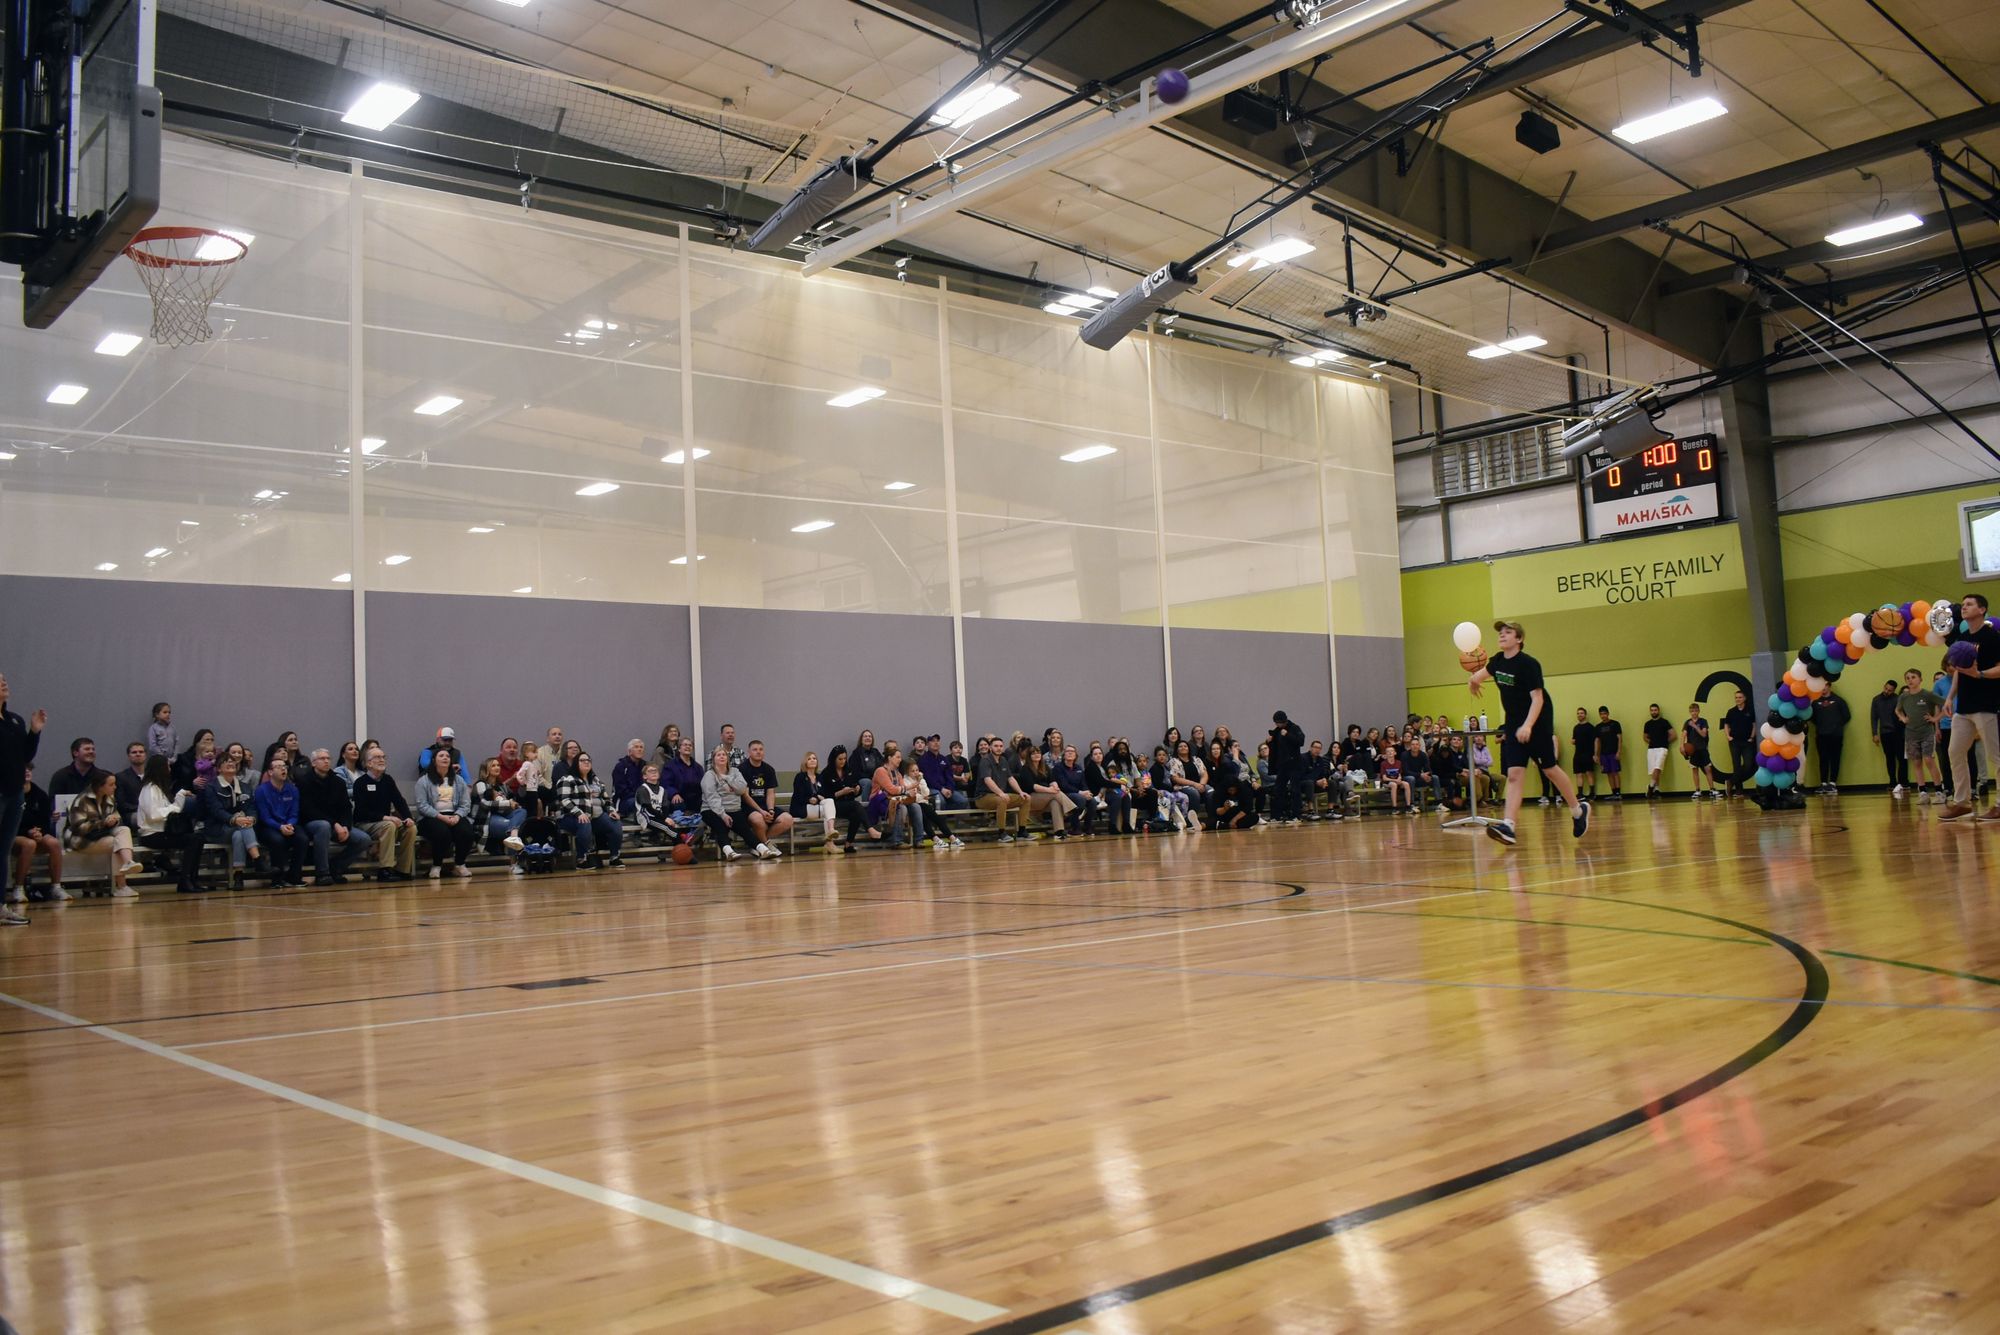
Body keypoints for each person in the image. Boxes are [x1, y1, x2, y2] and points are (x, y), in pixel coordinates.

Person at [1468, 620, 1590, 846]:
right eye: (1501, 632)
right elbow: (1479, 675)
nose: (1502, 635)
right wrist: (1473, 680)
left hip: (1538, 722)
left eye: (1508, 632)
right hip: (1514, 723)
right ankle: (1509, 826)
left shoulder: (1529, 664)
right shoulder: (1497, 661)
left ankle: (1578, 810)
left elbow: (1538, 698)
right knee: (1515, 774)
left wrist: (1528, 726)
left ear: (1519, 639)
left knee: (1550, 769)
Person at [1941, 592, 2000, 822]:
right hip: (1963, 706)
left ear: (1982, 609)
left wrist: (1980, 674)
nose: (1964, 607)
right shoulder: (1963, 638)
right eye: (1963, 604)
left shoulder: (1992, 637)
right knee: (1955, 752)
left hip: (1987, 705)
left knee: (1996, 756)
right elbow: (1958, 670)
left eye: (1969, 604)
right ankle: (1962, 803)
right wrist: (1949, 697)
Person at [298, 747, 373, 885]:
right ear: (313, 763)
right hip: (312, 823)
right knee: (324, 826)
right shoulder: (304, 781)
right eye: (322, 759)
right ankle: (322, 873)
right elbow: (309, 810)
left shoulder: (338, 782)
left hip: (337, 825)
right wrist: (335, 824)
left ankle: (336, 867)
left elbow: (346, 807)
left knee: (364, 839)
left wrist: (345, 825)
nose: (326, 761)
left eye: (328, 758)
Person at [64, 769, 140, 895]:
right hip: (81, 840)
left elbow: (117, 817)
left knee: (124, 830)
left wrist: (114, 821)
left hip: (101, 835)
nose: (115, 787)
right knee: (116, 843)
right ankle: (121, 886)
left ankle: (128, 862)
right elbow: (78, 828)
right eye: (111, 784)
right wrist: (102, 823)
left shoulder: (110, 798)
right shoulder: (81, 800)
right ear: (100, 786)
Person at [136, 754, 202, 892]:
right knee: (193, 840)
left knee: (197, 838)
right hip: (151, 834)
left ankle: (192, 878)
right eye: (167, 766)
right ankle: (185, 880)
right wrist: (174, 807)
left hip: (162, 832)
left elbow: (172, 808)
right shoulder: (150, 789)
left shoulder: (159, 788)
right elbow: (154, 815)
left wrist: (180, 795)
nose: (170, 769)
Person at [352, 748, 417, 882]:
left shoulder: (388, 780)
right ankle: (385, 869)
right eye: (377, 757)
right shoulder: (360, 783)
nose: (381, 760)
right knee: (389, 825)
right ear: (368, 763)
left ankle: (403, 869)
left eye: (383, 757)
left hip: (385, 822)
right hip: (365, 823)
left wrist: (408, 817)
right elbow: (361, 811)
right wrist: (385, 817)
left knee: (411, 828)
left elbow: (399, 801)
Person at [414, 747, 480, 878]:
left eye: (447, 756)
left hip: (454, 815)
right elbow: (422, 805)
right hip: (431, 817)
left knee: (466, 832)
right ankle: (436, 865)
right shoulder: (423, 781)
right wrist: (440, 817)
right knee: (442, 833)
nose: (445, 758)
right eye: (441, 756)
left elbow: (466, 804)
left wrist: (457, 816)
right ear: (434, 760)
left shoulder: (459, 780)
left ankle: (460, 864)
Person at [554, 751, 624, 869]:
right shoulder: (567, 779)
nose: (586, 762)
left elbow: (606, 799)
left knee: (615, 824)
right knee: (584, 822)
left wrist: (611, 810)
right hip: (571, 817)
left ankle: (614, 857)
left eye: (588, 760)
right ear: (576, 763)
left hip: (596, 816)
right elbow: (564, 800)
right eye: (582, 760)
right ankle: (581, 860)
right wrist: (578, 813)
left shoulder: (596, 781)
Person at [201, 753, 263, 884]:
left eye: (232, 761)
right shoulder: (211, 787)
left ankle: (238, 875)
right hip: (217, 828)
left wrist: (251, 818)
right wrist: (234, 819)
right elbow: (216, 811)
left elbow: (251, 808)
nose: (230, 763)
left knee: (239, 834)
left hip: (238, 828)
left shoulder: (245, 786)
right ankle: (258, 860)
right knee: (242, 827)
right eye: (226, 761)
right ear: (218, 768)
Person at [10, 763, 65, 907]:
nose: (27, 772)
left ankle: (56, 886)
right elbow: (8, 821)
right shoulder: (10, 794)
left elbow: (45, 819)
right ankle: (18, 888)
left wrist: (40, 832)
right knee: (29, 844)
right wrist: (27, 832)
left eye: (29, 769)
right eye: (23, 769)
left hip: (35, 832)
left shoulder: (39, 794)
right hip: (15, 834)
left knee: (53, 842)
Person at [253, 757, 309, 888]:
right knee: (277, 840)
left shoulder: (293, 789)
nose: (283, 769)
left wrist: (289, 824)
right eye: (279, 767)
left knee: (302, 839)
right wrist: (280, 827)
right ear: (270, 772)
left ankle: (294, 876)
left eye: (285, 766)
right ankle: (277, 878)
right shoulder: (261, 790)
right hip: (268, 826)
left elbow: (294, 813)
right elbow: (265, 817)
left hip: (289, 824)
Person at [1896, 669, 1946, 805]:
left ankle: (1939, 792)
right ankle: (1923, 793)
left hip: (1926, 733)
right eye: (1907, 678)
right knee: (1917, 762)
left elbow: (1946, 704)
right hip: (1911, 734)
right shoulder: (1903, 697)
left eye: (1913, 677)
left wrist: (1935, 718)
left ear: (1920, 679)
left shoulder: (1927, 694)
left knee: (1929, 760)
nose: (1910, 680)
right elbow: (1897, 710)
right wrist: (1903, 718)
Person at [736, 740, 793, 856]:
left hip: (765, 806)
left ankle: (757, 844)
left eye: (761, 749)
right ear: (749, 752)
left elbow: (770, 793)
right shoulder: (742, 769)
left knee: (788, 820)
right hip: (748, 807)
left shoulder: (769, 769)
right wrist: (761, 811)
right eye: (755, 750)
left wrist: (770, 810)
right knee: (758, 819)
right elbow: (745, 795)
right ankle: (766, 844)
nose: (758, 752)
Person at [700, 745, 754, 860]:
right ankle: (729, 852)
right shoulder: (709, 775)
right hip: (712, 809)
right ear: (713, 759)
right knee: (720, 826)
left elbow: (742, 789)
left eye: (724, 755)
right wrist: (723, 814)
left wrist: (727, 778)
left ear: (727, 758)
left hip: (733, 808)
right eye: (718, 755)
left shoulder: (735, 771)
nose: (721, 757)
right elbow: (712, 797)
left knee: (744, 828)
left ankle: (762, 848)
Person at [974, 736, 1030, 843]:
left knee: (1026, 798)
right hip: (983, 797)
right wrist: (1000, 793)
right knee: (1002, 800)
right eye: (996, 746)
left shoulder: (1003, 760)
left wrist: (1020, 792)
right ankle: (1001, 833)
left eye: (1000, 746)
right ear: (990, 747)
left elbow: (1010, 778)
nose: (999, 748)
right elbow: (987, 780)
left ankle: (1022, 831)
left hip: (999, 795)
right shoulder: (985, 761)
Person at [472, 756, 527, 854]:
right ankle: (514, 860)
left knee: (522, 811)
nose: (497, 767)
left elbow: (515, 799)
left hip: (504, 814)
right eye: (493, 766)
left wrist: (522, 786)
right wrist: (508, 803)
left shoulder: (502, 786)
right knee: (513, 828)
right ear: (486, 769)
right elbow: (485, 804)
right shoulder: (481, 784)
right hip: (488, 818)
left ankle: (513, 836)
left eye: (498, 765)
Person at [789, 752, 838, 853]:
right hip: (801, 807)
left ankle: (831, 832)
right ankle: (830, 843)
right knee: (827, 812)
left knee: (829, 802)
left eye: (814, 758)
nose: (812, 760)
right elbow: (799, 795)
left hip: (816, 806)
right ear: (805, 762)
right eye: (809, 759)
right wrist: (811, 799)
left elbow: (824, 794)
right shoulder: (800, 777)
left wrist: (816, 798)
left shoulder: (820, 777)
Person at [1870, 679, 1908, 796]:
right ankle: (1892, 781)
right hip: (1885, 733)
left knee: (1901, 758)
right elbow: (1874, 717)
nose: (1887, 691)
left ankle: (1903, 782)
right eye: (1886, 688)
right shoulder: (1876, 700)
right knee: (1889, 758)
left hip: (1898, 732)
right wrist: (1874, 733)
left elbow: (1904, 715)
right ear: (1884, 686)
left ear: (1894, 691)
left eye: (1890, 690)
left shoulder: (1898, 699)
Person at [1082, 742, 1129, 834]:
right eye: (1095, 754)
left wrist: (1122, 785)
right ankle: (1112, 825)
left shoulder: (1103, 766)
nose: (1098, 755)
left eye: (1100, 753)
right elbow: (1102, 782)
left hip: (1107, 790)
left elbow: (1110, 779)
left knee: (1126, 796)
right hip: (1097, 793)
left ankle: (1126, 824)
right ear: (1091, 757)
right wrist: (1119, 786)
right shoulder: (1091, 767)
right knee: (1116, 798)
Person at [1267, 710, 1304, 825]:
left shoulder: (1294, 728)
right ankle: (1277, 816)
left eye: (1279, 722)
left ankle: (1296, 815)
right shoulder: (1276, 731)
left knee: (1295, 790)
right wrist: (1269, 742)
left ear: (1284, 721)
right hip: (1282, 765)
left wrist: (1287, 735)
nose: (1278, 724)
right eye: (1276, 722)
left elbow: (1301, 741)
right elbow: (1276, 748)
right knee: (1278, 789)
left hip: (1294, 764)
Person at [1812, 688, 1850, 794]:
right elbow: (1812, 717)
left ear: (1829, 686)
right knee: (1823, 759)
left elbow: (1847, 716)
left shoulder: (1839, 701)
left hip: (1836, 735)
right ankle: (1823, 783)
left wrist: (1836, 726)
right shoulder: (1815, 702)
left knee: (1835, 759)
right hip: (1821, 735)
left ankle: (1832, 783)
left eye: (1825, 686)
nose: (1823, 689)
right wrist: (1821, 726)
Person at [1719, 690, 1755, 799]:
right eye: (1736, 697)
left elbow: (1754, 725)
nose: (1738, 699)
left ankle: (1731, 781)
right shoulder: (1731, 711)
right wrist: (1728, 736)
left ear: (1744, 698)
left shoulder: (1750, 710)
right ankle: (1739, 791)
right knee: (1736, 765)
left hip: (1747, 742)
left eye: (1740, 697)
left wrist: (1751, 737)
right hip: (1734, 742)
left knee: (1748, 765)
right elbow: (1726, 725)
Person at [662, 737, 704, 817]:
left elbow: (703, 785)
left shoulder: (698, 768)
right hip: (679, 797)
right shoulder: (670, 766)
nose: (688, 747)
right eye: (685, 745)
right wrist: (674, 794)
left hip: (695, 799)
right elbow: (666, 783)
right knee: (677, 803)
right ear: (679, 749)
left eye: (690, 745)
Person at [1683, 704, 1715, 799]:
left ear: (1699, 711)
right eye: (1692, 711)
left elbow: (1704, 734)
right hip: (1693, 750)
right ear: (1690, 712)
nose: (1694, 713)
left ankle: (1712, 789)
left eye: (1695, 711)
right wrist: (1682, 746)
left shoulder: (1703, 721)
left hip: (1703, 748)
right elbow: (1683, 735)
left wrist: (1695, 726)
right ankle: (1697, 790)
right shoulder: (1687, 722)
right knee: (1694, 769)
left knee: (1708, 769)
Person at [1641, 705, 1673, 798]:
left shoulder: (1664, 722)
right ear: (1650, 711)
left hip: (1662, 748)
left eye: (1655, 710)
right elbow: (1645, 737)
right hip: (1651, 749)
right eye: (1652, 710)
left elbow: (1673, 735)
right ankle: (1656, 789)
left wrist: (1664, 742)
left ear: (1658, 711)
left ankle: (1650, 786)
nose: (1654, 712)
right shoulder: (1648, 724)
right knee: (1653, 770)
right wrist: (1652, 742)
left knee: (1658, 767)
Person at [612, 739, 649, 819]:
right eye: (636, 747)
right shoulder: (621, 766)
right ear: (629, 751)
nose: (639, 749)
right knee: (636, 802)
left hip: (643, 798)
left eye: (641, 747)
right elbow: (620, 790)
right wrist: (639, 796)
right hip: (624, 801)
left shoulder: (646, 766)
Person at [115, 741, 148, 828]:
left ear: (145, 755)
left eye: (141, 752)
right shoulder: (121, 777)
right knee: (145, 818)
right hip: (132, 814)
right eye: (134, 752)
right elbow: (121, 803)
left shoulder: (152, 776)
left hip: (153, 812)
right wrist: (142, 809)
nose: (138, 754)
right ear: (129, 756)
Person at [1569, 708, 1598, 798]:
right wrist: (1573, 741)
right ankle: (1580, 794)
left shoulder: (1590, 727)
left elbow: (1596, 741)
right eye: (1578, 713)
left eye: (1581, 713)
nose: (1579, 715)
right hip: (1578, 754)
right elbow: (1574, 739)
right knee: (1578, 774)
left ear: (1585, 715)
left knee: (1589, 773)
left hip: (1588, 754)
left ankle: (1592, 793)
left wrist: (1595, 754)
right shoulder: (1576, 728)